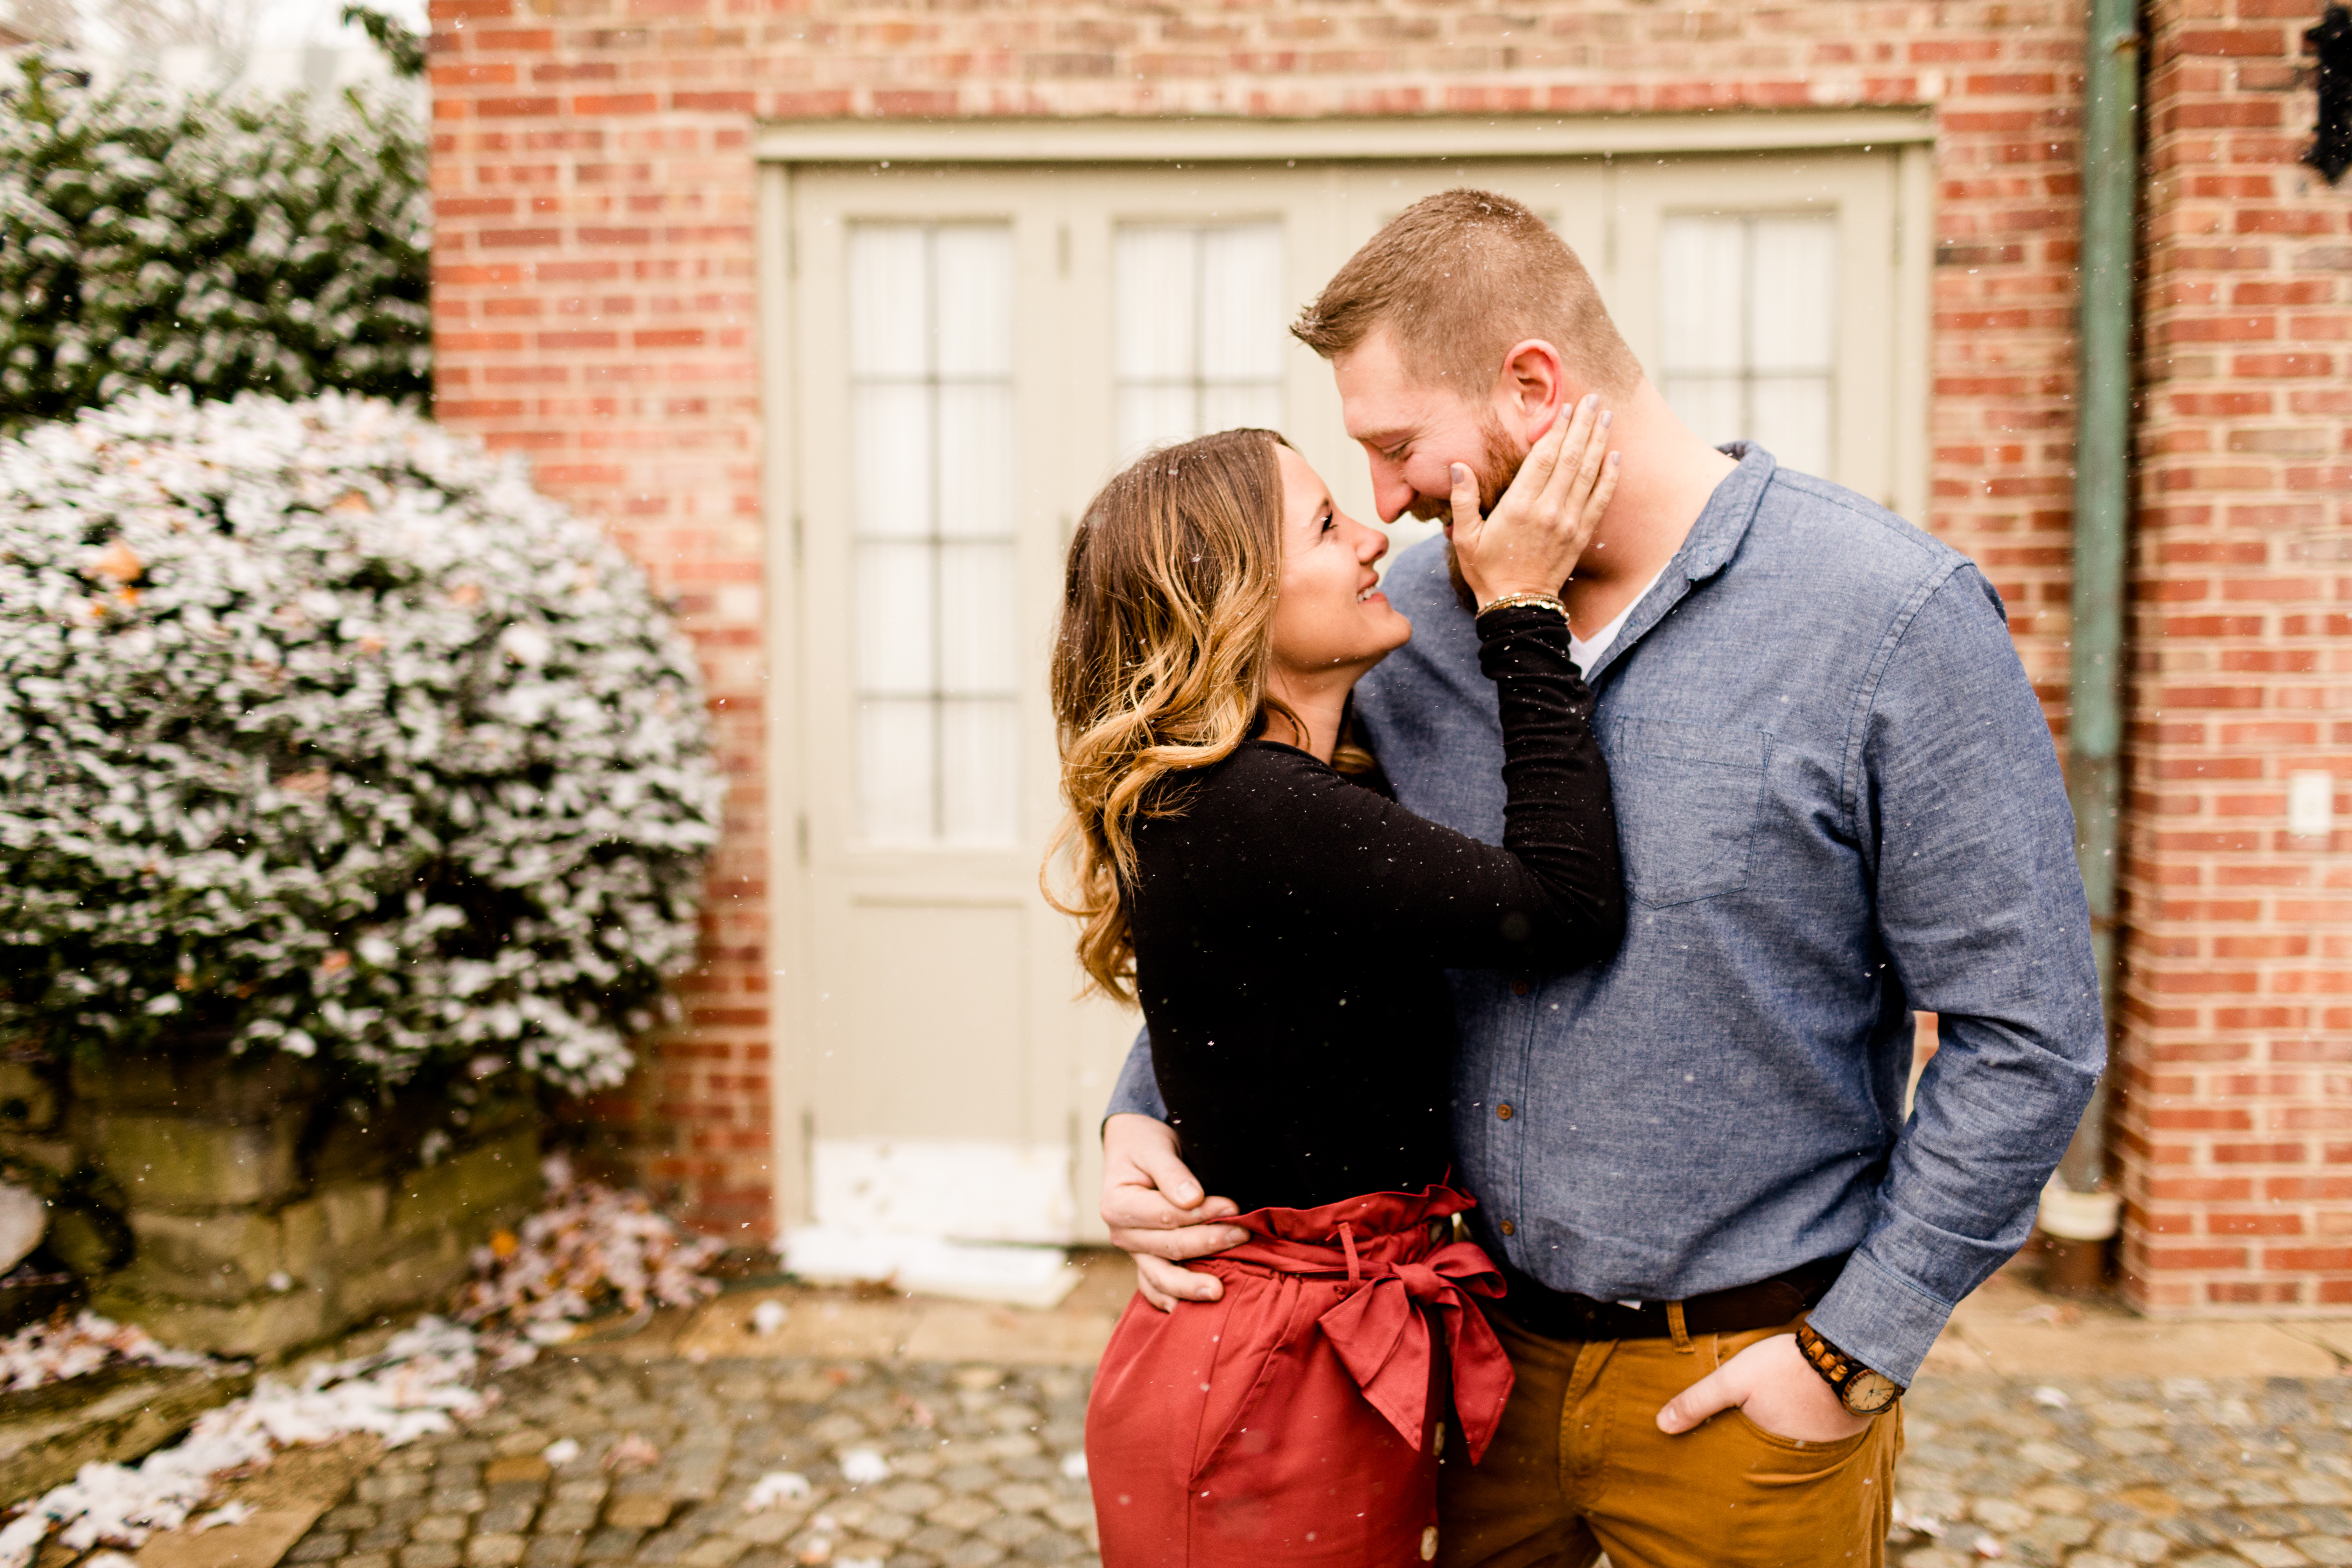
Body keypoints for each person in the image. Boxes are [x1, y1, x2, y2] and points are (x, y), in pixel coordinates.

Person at [1098, 190, 2105, 1568]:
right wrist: (1141, 1114)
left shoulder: (1889, 620)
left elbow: (2028, 1030)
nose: (1384, 504)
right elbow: (1278, 893)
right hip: (1462, 1369)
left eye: (1398, 449)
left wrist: (1854, 1349)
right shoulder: (1415, 628)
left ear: (1532, 388)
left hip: (1745, 1391)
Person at [1046, 406, 1628, 1567]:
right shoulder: (1256, 810)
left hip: (1309, 1342)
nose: (1374, 535)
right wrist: (1524, 614)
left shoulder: (1257, 799)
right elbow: (1565, 906)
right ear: (1237, 607)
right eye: (1325, 522)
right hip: (1271, 1370)